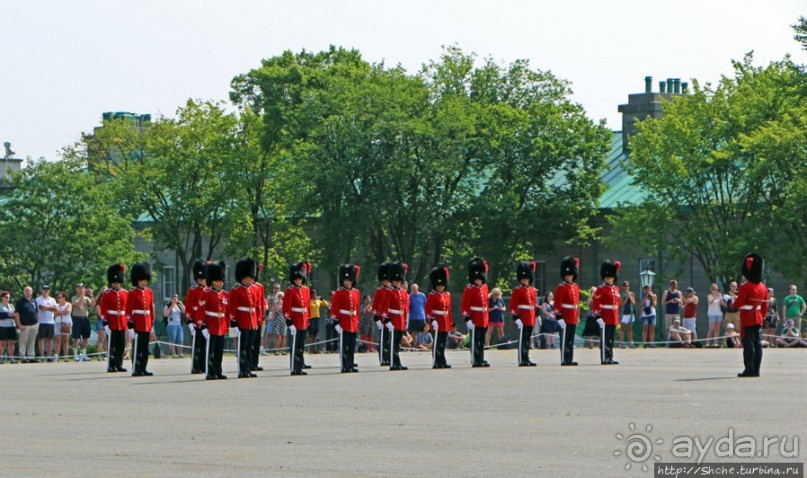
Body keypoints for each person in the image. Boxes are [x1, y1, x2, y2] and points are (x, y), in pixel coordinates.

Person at [734, 253, 768, 378]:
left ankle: (749, 369)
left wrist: (729, 302)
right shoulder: (763, 287)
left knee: (748, 344)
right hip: (758, 317)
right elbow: (764, 305)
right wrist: (762, 316)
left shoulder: (745, 287)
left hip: (747, 317)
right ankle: (756, 370)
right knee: (757, 344)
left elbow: (739, 303)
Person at [229, 258, 259, 378]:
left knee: (250, 347)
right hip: (242, 321)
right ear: (242, 278)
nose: (249, 280)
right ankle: (242, 370)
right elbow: (232, 308)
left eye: (250, 278)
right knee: (243, 347)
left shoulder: (253, 289)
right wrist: (234, 323)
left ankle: (248, 368)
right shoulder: (236, 290)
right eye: (247, 278)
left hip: (252, 320)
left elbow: (255, 305)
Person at [330, 264, 361, 373]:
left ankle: (351, 364)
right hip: (343, 322)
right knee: (345, 346)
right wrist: (336, 323)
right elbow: (334, 309)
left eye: (348, 280)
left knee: (352, 346)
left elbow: (357, 308)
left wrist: (357, 321)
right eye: (345, 280)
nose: (346, 282)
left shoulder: (356, 292)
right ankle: (344, 365)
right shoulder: (339, 293)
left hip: (353, 321)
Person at [98, 264, 128, 373]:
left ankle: (119, 364)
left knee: (121, 346)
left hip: (122, 322)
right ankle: (111, 365)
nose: (116, 284)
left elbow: (127, 309)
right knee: (112, 346)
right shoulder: (106, 294)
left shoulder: (125, 293)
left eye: (118, 282)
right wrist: (105, 323)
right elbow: (103, 309)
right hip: (112, 322)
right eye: (114, 283)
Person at [127, 262, 155, 377]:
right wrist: (130, 326)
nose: (144, 282)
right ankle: (136, 368)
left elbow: (151, 309)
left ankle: (143, 368)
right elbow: (129, 311)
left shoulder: (149, 292)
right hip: (137, 323)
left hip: (147, 323)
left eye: (145, 280)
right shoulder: (132, 293)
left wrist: (152, 323)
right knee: (137, 348)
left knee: (144, 348)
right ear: (137, 280)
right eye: (142, 280)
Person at [284, 262, 312, 376]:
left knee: (301, 346)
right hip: (295, 321)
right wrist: (289, 322)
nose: (298, 281)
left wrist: (307, 319)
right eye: (296, 279)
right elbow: (286, 307)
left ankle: (299, 366)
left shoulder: (306, 290)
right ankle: (294, 367)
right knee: (295, 346)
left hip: (303, 321)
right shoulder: (290, 291)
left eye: (300, 279)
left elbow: (307, 306)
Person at [201, 261, 228, 380]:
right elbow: (201, 310)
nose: (220, 283)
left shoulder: (225, 295)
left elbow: (226, 312)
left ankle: (218, 371)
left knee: (219, 351)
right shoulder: (206, 293)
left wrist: (227, 325)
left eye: (221, 281)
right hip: (211, 324)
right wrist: (202, 325)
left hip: (221, 325)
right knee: (210, 351)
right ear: (212, 281)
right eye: (217, 281)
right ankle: (210, 372)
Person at [461, 257, 490, 368]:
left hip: (483, 317)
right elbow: (464, 305)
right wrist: (467, 319)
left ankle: (481, 358)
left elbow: (486, 303)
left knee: (481, 341)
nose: (479, 280)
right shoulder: (469, 289)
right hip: (475, 318)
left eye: (480, 278)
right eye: (477, 278)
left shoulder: (484, 287)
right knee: (475, 340)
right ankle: (475, 359)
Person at [592, 260, 621, 365]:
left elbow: (617, 304)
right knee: (604, 340)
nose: (609, 279)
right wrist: (598, 316)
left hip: (613, 317)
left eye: (611, 277)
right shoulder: (600, 289)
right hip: (605, 317)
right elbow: (596, 304)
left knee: (611, 340)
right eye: (607, 278)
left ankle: (610, 357)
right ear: (604, 278)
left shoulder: (616, 289)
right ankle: (604, 358)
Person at [510, 261, 538, 366]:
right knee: (523, 340)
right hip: (523, 317)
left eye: (526, 279)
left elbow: (533, 304)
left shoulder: (531, 290)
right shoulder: (518, 290)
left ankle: (526, 358)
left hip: (530, 317)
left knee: (527, 340)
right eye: (523, 279)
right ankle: (522, 359)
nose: (525, 280)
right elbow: (513, 305)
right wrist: (516, 318)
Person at [555, 257, 581, 366]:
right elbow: (557, 303)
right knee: (564, 339)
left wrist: (577, 316)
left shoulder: (575, 287)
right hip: (565, 316)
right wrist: (559, 316)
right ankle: (564, 359)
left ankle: (569, 358)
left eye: (569, 275)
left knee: (570, 339)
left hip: (573, 316)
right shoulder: (561, 287)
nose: (568, 277)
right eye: (566, 275)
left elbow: (577, 303)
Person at [383, 262, 409, 371]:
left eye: (398, 281)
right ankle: (393, 363)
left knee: (397, 343)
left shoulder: (403, 292)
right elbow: (384, 308)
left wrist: (405, 321)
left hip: (401, 320)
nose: (397, 282)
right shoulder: (389, 292)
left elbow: (405, 308)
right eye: (395, 280)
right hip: (393, 320)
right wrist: (387, 320)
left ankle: (397, 362)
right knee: (393, 343)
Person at [425, 265, 452, 369]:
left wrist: (450, 322)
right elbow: (427, 310)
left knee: (443, 343)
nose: (440, 286)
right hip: (437, 322)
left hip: (445, 322)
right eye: (438, 285)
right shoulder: (432, 295)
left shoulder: (447, 295)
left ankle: (442, 360)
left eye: (442, 285)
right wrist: (432, 320)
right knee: (437, 343)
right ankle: (436, 361)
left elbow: (448, 310)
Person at [185, 259, 209, 374]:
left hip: (205, 322)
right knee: (197, 346)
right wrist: (190, 323)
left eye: (203, 278)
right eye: (200, 279)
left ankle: (204, 366)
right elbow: (189, 308)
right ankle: (196, 366)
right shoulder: (192, 290)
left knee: (205, 346)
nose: (202, 281)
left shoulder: (209, 290)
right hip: (196, 322)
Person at [249, 264, 268, 372]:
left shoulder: (259, 286)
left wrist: (262, 315)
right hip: (251, 316)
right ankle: (249, 362)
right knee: (250, 342)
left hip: (258, 317)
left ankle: (255, 363)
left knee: (256, 343)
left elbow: (261, 302)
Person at [372, 263, 392, 366]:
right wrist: (376, 319)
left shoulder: (392, 291)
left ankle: (389, 357)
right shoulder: (379, 291)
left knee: (390, 340)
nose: (386, 282)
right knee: (383, 340)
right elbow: (375, 306)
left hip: (391, 318)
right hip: (382, 318)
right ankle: (383, 358)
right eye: (385, 280)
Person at [71, 284, 94, 362]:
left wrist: (91, 295)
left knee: (85, 337)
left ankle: (84, 354)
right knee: (76, 337)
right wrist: (82, 296)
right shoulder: (74, 298)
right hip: (77, 318)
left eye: (82, 288)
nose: (81, 290)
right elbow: (78, 304)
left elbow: (92, 305)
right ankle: (75, 355)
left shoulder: (86, 298)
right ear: (76, 289)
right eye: (79, 288)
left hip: (85, 318)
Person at [14, 287, 38, 363]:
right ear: (24, 292)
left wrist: (38, 323)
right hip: (24, 325)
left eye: (29, 291)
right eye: (26, 290)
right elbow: (17, 314)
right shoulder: (20, 301)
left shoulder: (34, 301)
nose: (27, 292)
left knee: (32, 341)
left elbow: (37, 312)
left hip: (34, 325)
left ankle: (31, 356)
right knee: (23, 341)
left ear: (32, 292)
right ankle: (23, 357)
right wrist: (19, 325)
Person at [36, 285, 57, 362]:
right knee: (41, 339)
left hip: (51, 321)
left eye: (47, 289)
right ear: (41, 290)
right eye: (44, 289)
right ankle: (41, 356)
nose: (46, 291)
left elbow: (55, 309)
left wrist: (47, 308)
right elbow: (41, 307)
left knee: (50, 339)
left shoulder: (52, 299)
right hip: (42, 321)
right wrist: (50, 308)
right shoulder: (38, 299)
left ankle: (49, 355)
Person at [262, 283, 282, 355]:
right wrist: (266, 316)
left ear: (280, 289)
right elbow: (267, 308)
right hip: (271, 316)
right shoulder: (269, 297)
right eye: (275, 288)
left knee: (278, 334)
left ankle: (276, 350)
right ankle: (265, 350)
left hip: (279, 316)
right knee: (268, 333)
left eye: (277, 288)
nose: (276, 289)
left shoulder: (282, 297)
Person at [53, 291, 73, 362]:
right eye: (58, 297)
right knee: (58, 340)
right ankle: (56, 356)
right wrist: (61, 312)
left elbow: (67, 311)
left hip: (66, 323)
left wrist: (59, 312)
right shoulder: (56, 305)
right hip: (58, 323)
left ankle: (66, 356)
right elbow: (55, 313)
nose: (59, 299)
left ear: (64, 298)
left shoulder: (68, 304)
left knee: (66, 340)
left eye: (60, 297)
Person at [309, 289, 329, 353]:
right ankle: (311, 349)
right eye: (313, 294)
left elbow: (326, 304)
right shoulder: (309, 301)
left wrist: (322, 299)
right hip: (311, 318)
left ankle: (314, 349)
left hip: (317, 318)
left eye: (315, 294)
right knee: (311, 334)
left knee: (315, 333)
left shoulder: (318, 301)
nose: (314, 295)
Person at [0, 291, 17, 363]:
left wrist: (12, 315)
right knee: (2, 343)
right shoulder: (0, 306)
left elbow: (14, 315)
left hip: (11, 326)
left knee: (11, 342)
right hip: (3, 326)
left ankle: (11, 358)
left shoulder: (11, 306)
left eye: (9, 298)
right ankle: (1, 358)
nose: (8, 299)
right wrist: (8, 315)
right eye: (6, 297)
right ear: (2, 298)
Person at [619, 281, 636, 348]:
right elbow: (622, 304)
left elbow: (633, 303)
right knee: (623, 328)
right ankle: (621, 343)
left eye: (628, 286)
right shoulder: (621, 294)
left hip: (630, 313)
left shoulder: (632, 293)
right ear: (623, 287)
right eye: (625, 286)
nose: (626, 287)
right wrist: (626, 298)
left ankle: (631, 343)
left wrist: (630, 297)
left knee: (630, 328)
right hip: (624, 313)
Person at [706, 283, 723, 348]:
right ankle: (708, 343)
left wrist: (721, 298)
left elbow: (722, 304)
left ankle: (715, 342)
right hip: (711, 314)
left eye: (716, 289)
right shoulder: (709, 296)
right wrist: (716, 296)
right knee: (711, 329)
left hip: (718, 313)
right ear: (711, 289)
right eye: (713, 289)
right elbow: (710, 302)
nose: (715, 290)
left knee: (717, 329)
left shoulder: (719, 296)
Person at [271, 290, 286, 355]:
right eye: (279, 296)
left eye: (281, 296)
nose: (280, 297)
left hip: (283, 321)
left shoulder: (284, 303)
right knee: (277, 335)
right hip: (277, 320)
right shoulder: (275, 303)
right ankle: (276, 350)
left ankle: (283, 351)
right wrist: (278, 303)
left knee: (283, 335)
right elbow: (275, 311)